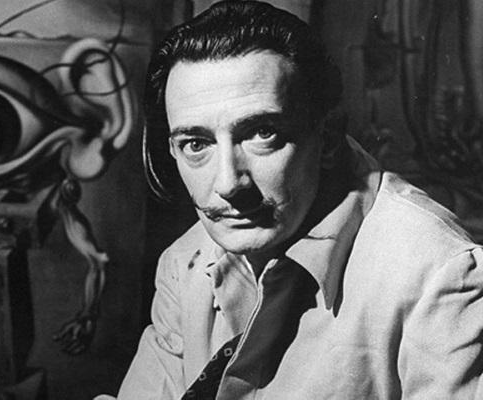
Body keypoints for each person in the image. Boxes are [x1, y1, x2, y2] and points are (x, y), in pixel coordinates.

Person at [98, 1, 483, 399]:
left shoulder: (442, 277)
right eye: (196, 144)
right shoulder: (185, 263)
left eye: (262, 134)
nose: (228, 184)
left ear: (328, 136)